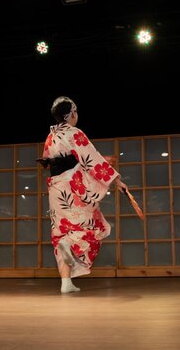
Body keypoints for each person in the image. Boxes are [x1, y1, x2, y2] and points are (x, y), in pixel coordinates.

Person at [40, 96, 128, 293]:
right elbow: (91, 160)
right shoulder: (74, 132)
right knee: (88, 226)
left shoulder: (51, 136)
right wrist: (116, 181)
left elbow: (50, 160)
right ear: (71, 114)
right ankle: (68, 244)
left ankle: (66, 282)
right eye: (75, 112)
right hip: (73, 185)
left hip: (56, 188)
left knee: (61, 230)